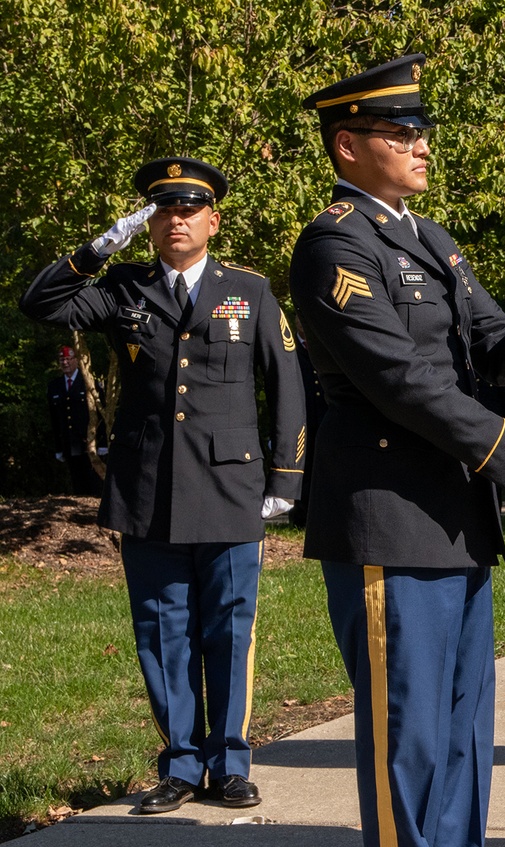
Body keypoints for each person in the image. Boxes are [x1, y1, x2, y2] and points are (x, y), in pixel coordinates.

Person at [288, 55, 505, 847]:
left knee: (462, 727)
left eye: (423, 131)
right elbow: (403, 380)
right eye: (402, 131)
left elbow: (489, 347)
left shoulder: (432, 239)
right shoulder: (334, 247)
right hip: (390, 515)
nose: (422, 145)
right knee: (408, 731)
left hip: (453, 514)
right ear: (348, 145)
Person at [21, 157, 306, 812]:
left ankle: (230, 763)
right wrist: (95, 250)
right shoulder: (124, 287)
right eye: (163, 210)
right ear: (149, 224)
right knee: (161, 629)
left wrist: (287, 477)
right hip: (147, 489)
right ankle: (180, 764)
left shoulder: (250, 291)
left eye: (188, 208)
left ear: (213, 219)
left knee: (230, 630)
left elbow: (288, 385)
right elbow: (40, 302)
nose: (176, 219)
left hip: (231, 490)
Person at [47, 345, 105, 495]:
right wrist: (59, 448)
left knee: (94, 485)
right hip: (69, 443)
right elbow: (55, 420)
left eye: (68, 359)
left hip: (90, 444)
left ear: (76, 360)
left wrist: (103, 443)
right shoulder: (54, 386)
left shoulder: (89, 383)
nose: (65, 362)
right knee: (77, 485)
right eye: (62, 359)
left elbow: (101, 414)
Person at [288, 315, 326, 528]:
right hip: (301, 421)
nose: (304, 323)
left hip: (324, 418)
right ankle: (300, 519)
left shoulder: (324, 346)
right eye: (300, 320)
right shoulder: (290, 349)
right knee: (303, 472)